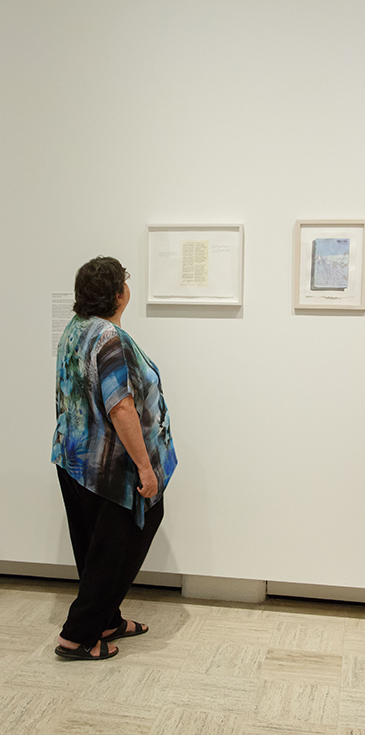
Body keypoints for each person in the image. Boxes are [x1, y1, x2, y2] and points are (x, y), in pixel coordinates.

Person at [52, 256, 177, 660]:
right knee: (119, 544)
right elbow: (120, 406)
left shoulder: (75, 329)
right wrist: (145, 467)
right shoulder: (108, 337)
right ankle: (77, 636)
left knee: (93, 546)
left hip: (73, 459)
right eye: (124, 282)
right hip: (109, 469)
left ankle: (107, 620)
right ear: (118, 294)